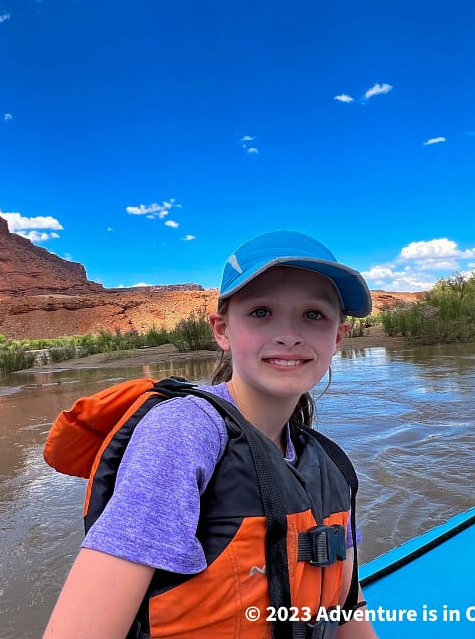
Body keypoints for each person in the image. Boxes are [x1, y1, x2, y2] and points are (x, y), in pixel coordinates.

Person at [43, 231, 379, 639]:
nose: (289, 334)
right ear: (222, 330)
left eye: (313, 315)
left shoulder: (328, 463)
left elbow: (346, 608)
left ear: (338, 337)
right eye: (261, 312)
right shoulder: (183, 432)